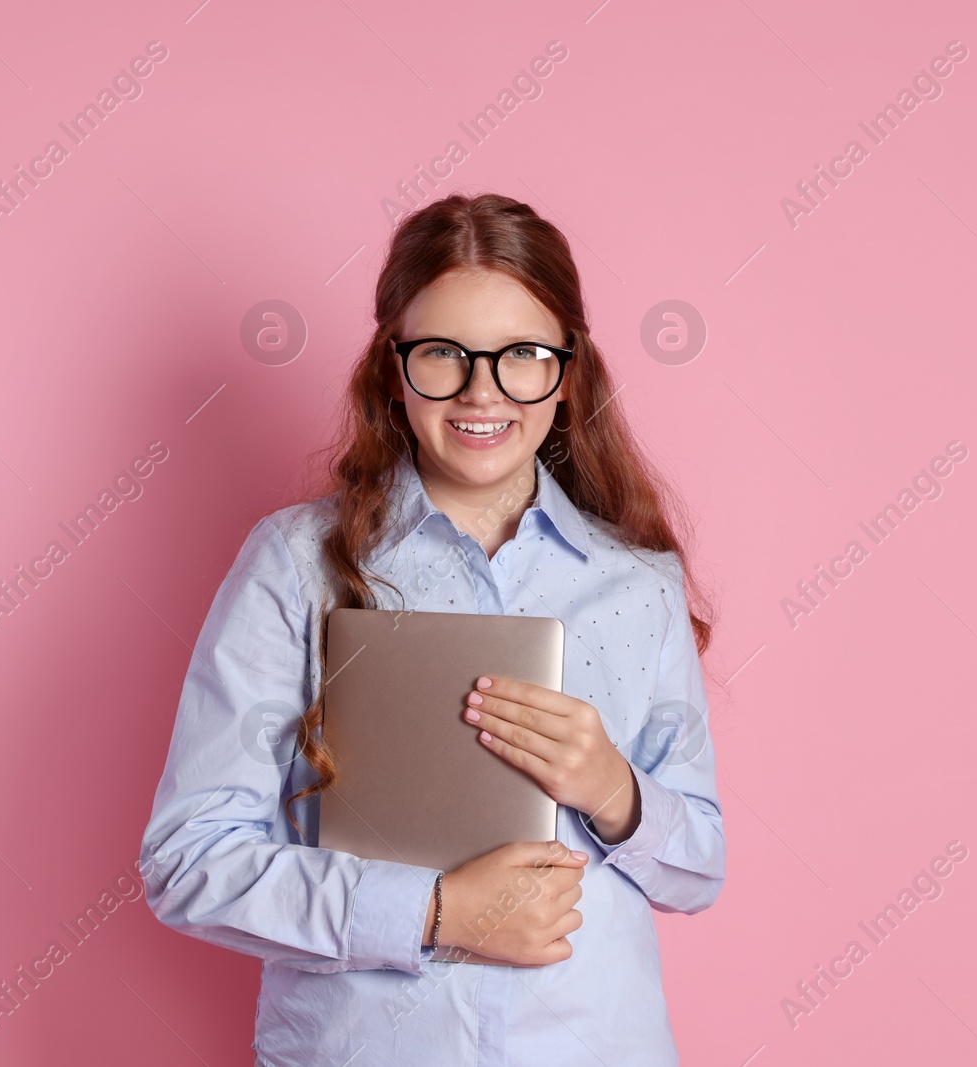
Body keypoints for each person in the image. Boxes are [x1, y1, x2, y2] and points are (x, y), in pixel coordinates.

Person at [139, 192, 725, 1066]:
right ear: (391, 367)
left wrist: (613, 788)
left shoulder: (637, 584)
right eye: (444, 354)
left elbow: (698, 870)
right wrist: (439, 911)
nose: (483, 391)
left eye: (522, 355)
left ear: (567, 372)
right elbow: (190, 861)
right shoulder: (295, 565)